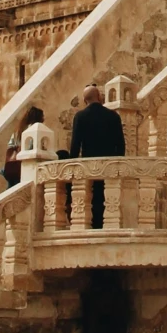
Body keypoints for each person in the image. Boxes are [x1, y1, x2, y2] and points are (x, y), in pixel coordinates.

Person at [69, 82, 125, 229]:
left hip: (89, 166)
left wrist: (71, 168)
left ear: (84, 100)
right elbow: (121, 145)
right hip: (109, 166)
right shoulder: (113, 116)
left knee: (91, 201)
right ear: (99, 97)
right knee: (107, 200)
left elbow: (75, 146)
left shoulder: (80, 117)